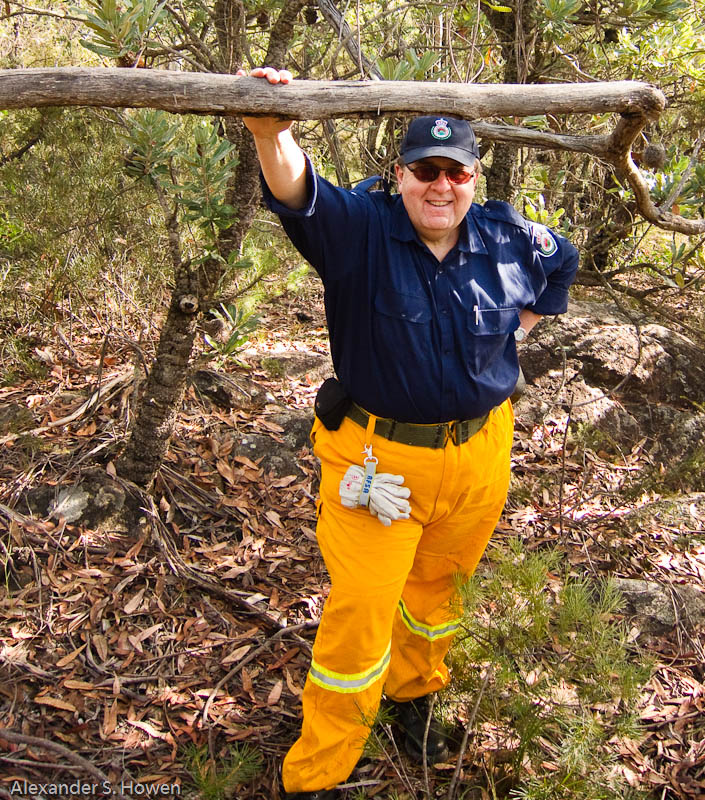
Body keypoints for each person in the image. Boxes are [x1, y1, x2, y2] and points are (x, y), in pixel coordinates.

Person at [240, 67, 579, 800]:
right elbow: (298, 191)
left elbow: (562, 262)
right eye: (423, 171)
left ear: (472, 178)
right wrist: (274, 131)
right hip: (377, 462)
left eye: (454, 172)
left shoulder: (507, 234)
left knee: (439, 592)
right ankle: (321, 770)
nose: (439, 186)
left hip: (480, 454)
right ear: (398, 175)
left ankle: (414, 702)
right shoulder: (358, 230)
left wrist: (516, 333)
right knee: (361, 613)